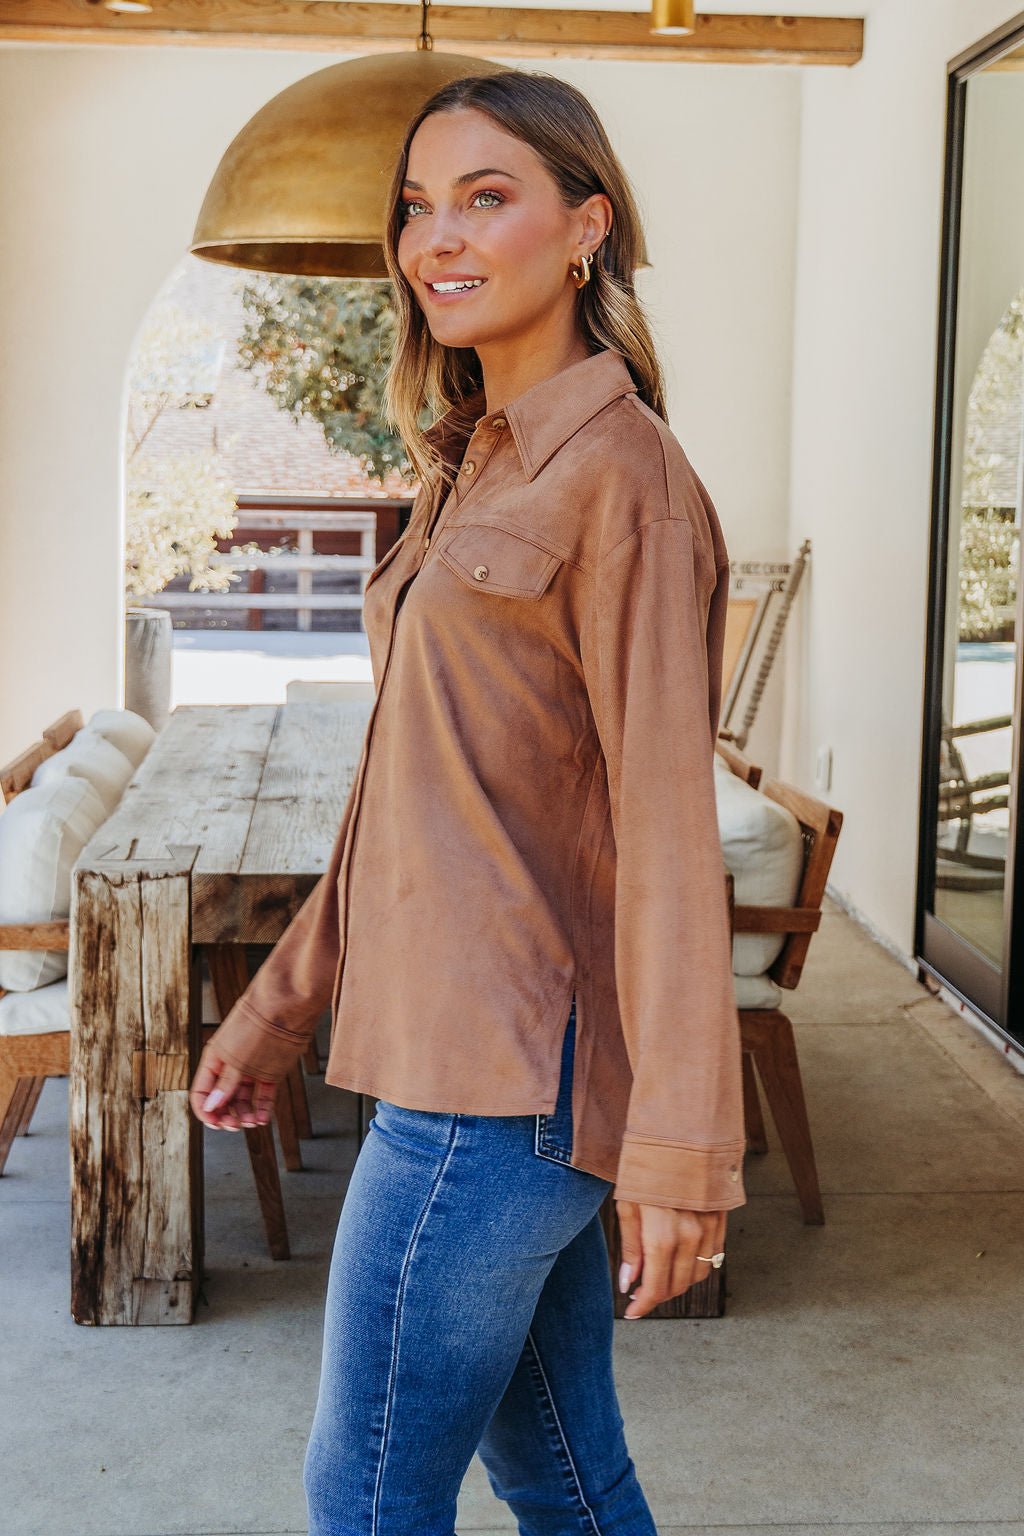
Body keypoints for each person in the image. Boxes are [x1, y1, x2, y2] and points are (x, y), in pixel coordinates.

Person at [190, 67, 747, 1536]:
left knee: (366, 1493)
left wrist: (688, 1153)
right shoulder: (468, 463)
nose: (436, 237)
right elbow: (406, 805)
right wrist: (276, 1008)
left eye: (486, 198)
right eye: (417, 206)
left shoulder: (625, 487)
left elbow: (671, 848)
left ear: (586, 229)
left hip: (498, 1093)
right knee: (559, 1470)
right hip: (463, 1057)